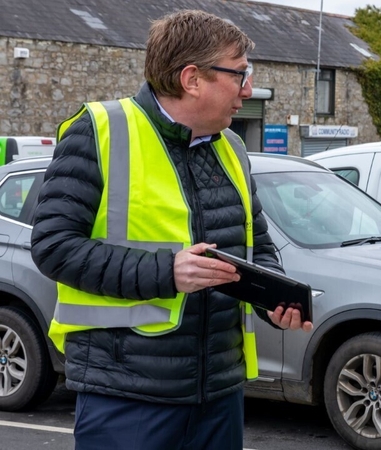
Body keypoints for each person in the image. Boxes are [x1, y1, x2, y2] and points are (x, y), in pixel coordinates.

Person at [30, 10, 312, 450]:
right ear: (192, 78)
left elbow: (258, 246)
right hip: (125, 396)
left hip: (219, 393)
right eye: (240, 74)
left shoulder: (233, 147)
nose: (248, 89)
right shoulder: (100, 130)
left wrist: (271, 299)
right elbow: (53, 247)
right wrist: (168, 271)